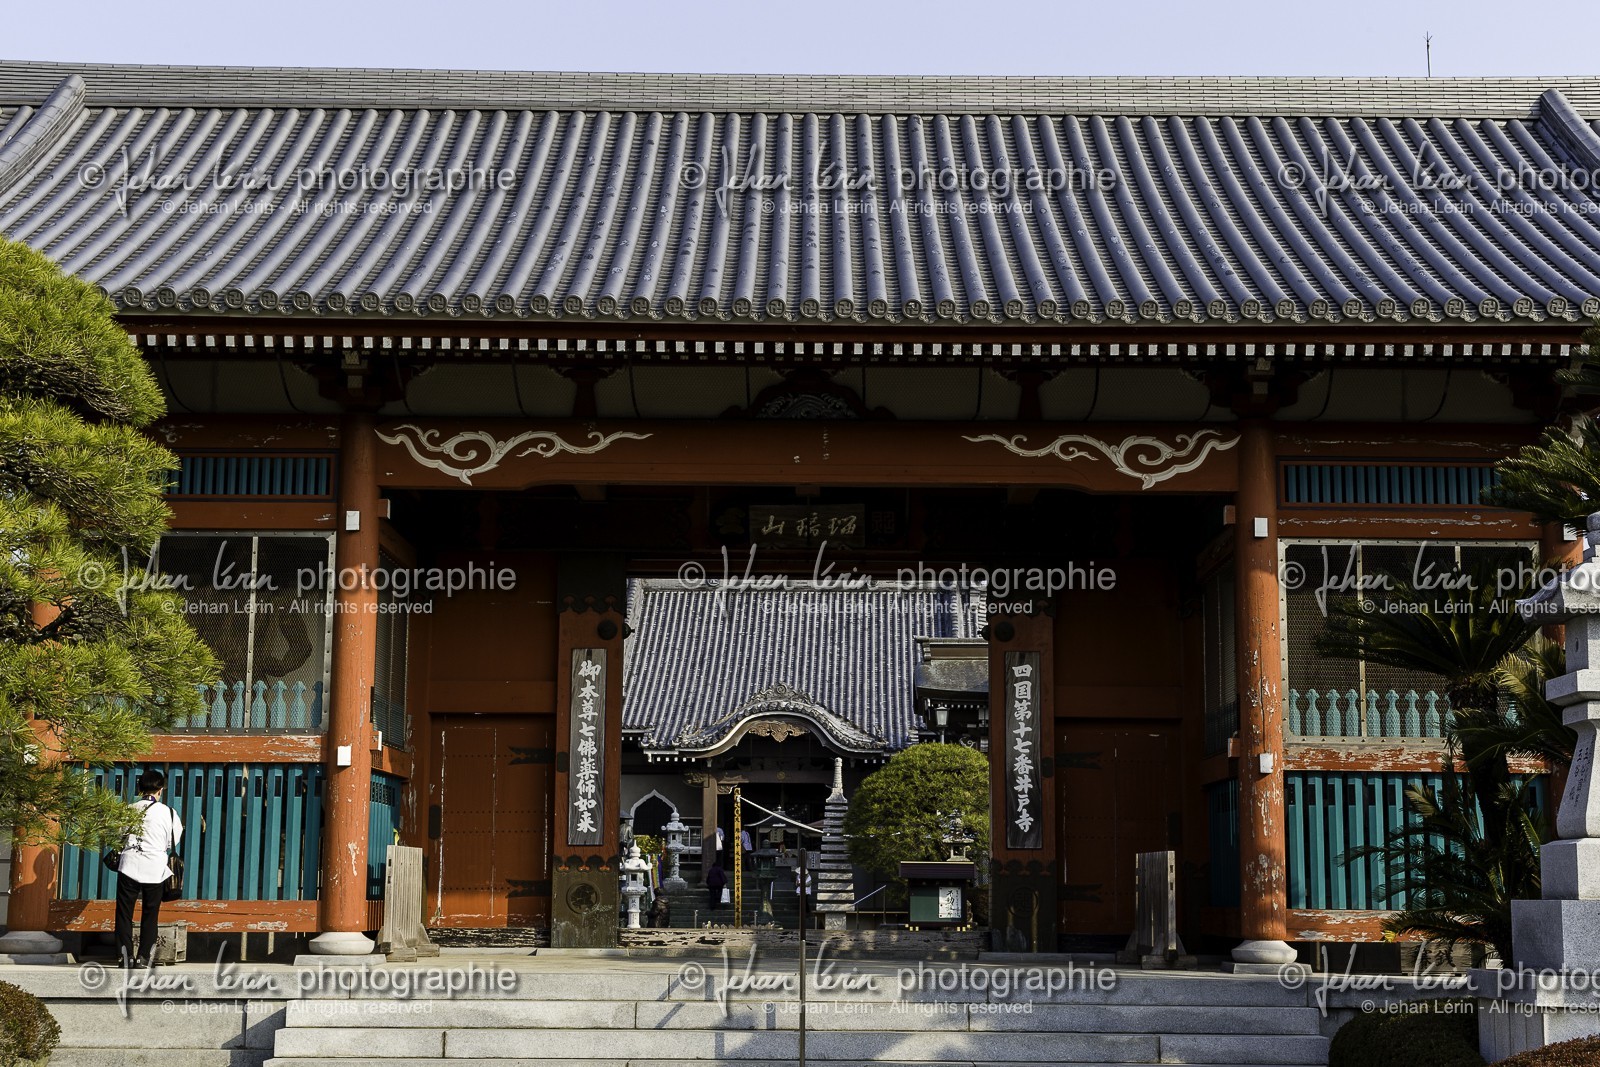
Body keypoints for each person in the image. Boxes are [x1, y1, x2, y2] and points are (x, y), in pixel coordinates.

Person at [114, 770, 183, 967]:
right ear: (160, 790)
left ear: (140, 789)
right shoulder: (169, 813)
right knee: (150, 914)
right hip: (155, 866)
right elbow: (172, 841)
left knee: (124, 913)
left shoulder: (129, 810)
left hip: (129, 865)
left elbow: (119, 836)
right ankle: (144, 957)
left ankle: (124, 957)